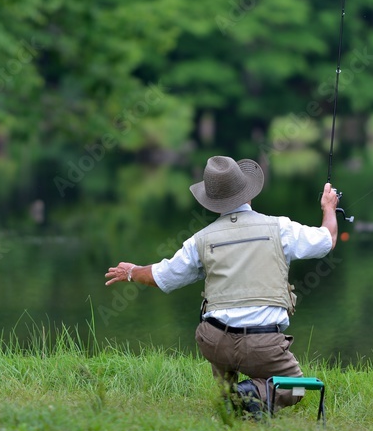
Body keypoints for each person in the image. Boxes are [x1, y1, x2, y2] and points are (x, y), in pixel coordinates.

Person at [105, 155, 339, 417]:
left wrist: (132, 272)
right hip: (264, 344)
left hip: (215, 341)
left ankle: (229, 395)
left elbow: (163, 276)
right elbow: (327, 239)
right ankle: (252, 394)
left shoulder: (200, 240)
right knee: (295, 389)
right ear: (249, 192)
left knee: (216, 335)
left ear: (213, 202)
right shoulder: (279, 228)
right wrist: (328, 206)